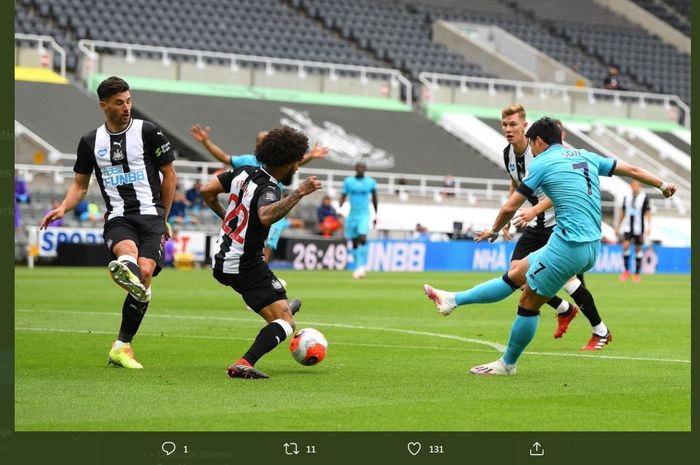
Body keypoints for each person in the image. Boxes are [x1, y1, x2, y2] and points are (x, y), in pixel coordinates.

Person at [424, 117, 676, 375]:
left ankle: (507, 364)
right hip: (591, 245)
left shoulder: (542, 162)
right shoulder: (586, 155)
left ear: (539, 141)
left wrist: (496, 230)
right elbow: (632, 170)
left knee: (528, 301)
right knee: (516, 273)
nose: (532, 150)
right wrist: (663, 185)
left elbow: (511, 205)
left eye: (532, 144)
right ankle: (453, 300)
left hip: (568, 245)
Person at [41, 76, 177, 369]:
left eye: (128, 101)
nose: (126, 107)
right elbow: (79, 186)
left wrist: (164, 216)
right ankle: (123, 267)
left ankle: (121, 345)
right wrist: (63, 207)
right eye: (119, 103)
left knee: (145, 273)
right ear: (103, 105)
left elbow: (170, 175)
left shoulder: (148, 132)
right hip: (118, 216)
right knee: (127, 253)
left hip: (152, 216)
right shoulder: (90, 142)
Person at [199, 126, 322, 379]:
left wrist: (225, 217)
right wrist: (298, 192)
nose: (297, 168)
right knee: (287, 322)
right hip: (244, 263)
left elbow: (206, 190)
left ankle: (281, 306)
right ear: (287, 161)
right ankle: (244, 362)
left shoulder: (243, 172)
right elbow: (265, 216)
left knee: (279, 314)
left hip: (224, 258)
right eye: (296, 163)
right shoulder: (269, 188)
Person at [498, 105, 607, 346]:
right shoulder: (508, 154)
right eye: (505, 125)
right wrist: (508, 217)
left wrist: (533, 209)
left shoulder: (542, 153)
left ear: (526, 129)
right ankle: (565, 309)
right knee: (516, 272)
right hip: (535, 224)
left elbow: (559, 188)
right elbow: (516, 183)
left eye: (512, 125)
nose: (508, 129)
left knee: (570, 280)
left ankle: (598, 329)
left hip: (558, 224)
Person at [191, 124, 328, 262]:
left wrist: (311, 155)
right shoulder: (246, 162)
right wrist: (205, 142)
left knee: (266, 246)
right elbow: (222, 157)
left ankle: (261, 275)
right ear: (258, 144)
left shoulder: (281, 163)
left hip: (274, 206)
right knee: (249, 250)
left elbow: (294, 162)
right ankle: (257, 278)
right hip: (249, 211)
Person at [339, 162, 378, 279]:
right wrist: (339, 207)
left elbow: (375, 198)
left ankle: (362, 266)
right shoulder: (348, 181)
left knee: (363, 237)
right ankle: (357, 267)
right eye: (358, 167)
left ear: (365, 169)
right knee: (354, 241)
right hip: (352, 215)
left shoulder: (370, 182)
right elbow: (343, 195)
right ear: (355, 168)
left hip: (364, 215)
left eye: (362, 167)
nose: (360, 169)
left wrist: (376, 214)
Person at [615, 180, 651, 282]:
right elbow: (623, 211)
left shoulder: (644, 198)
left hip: (639, 228)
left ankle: (637, 273)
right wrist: (618, 226)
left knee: (638, 249)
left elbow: (648, 212)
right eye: (632, 186)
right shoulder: (627, 198)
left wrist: (649, 226)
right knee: (625, 246)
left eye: (636, 186)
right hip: (627, 227)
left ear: (639, 186)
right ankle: (626, 271)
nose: (634, 188)